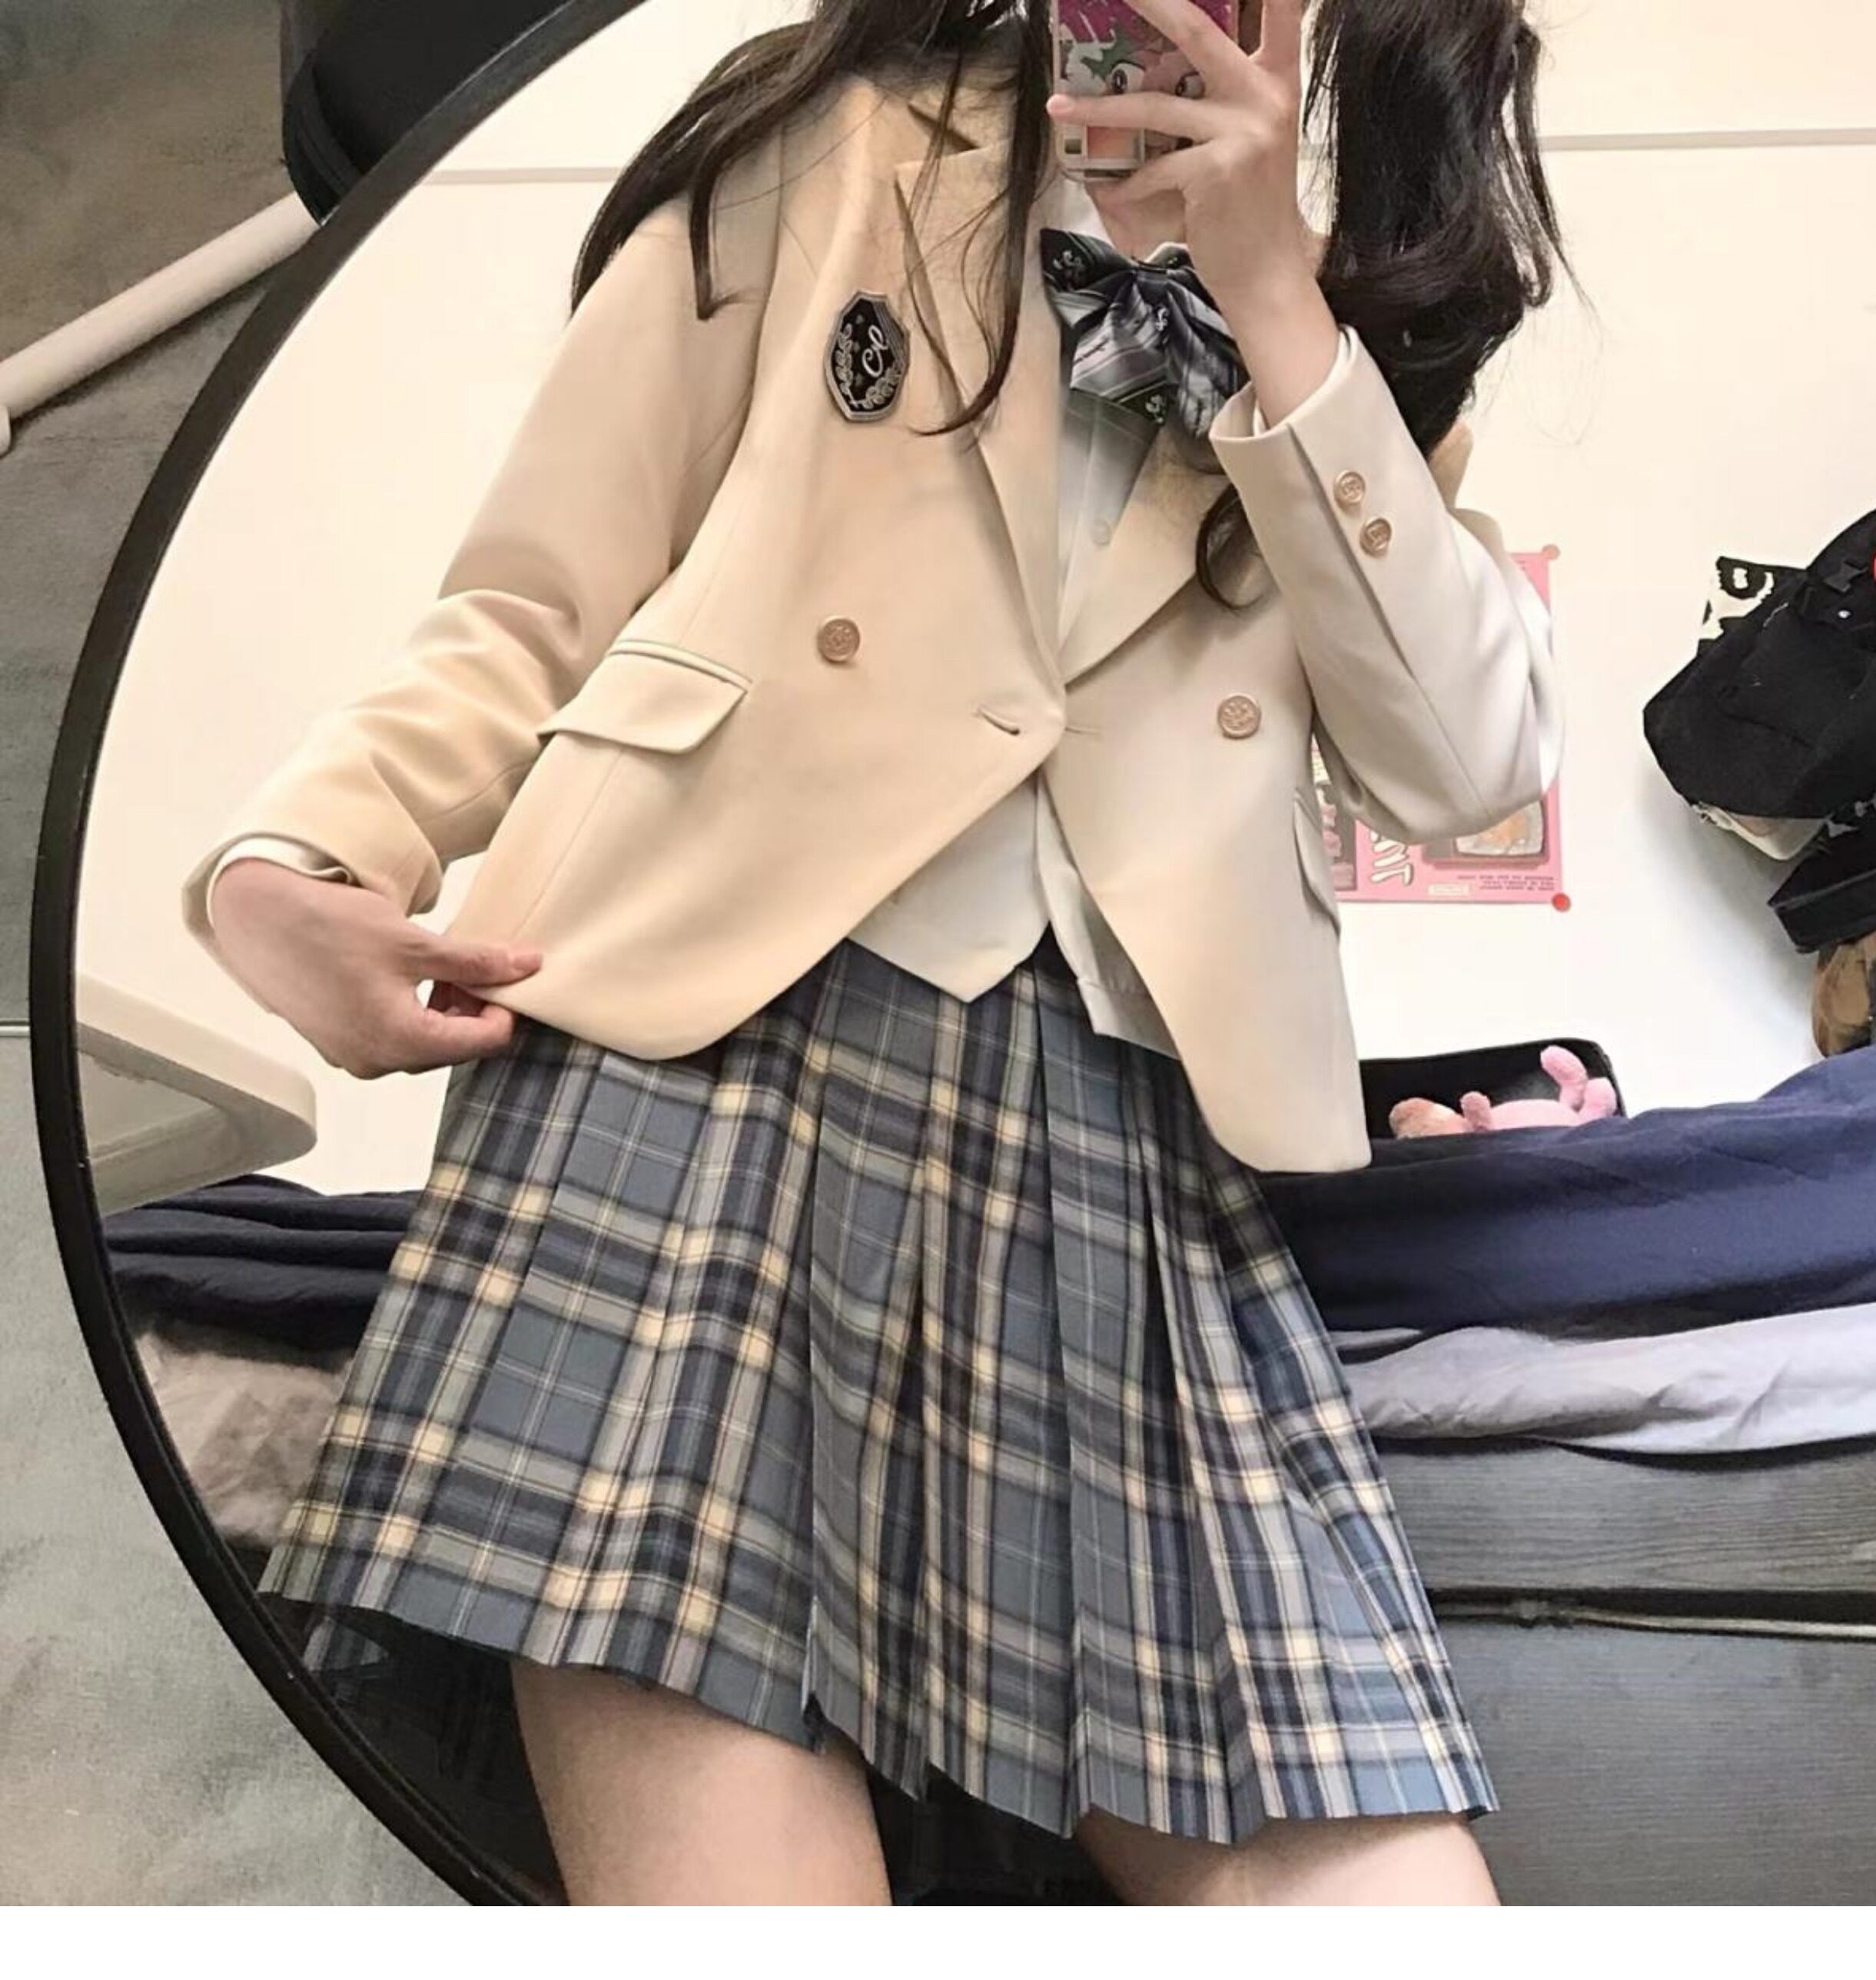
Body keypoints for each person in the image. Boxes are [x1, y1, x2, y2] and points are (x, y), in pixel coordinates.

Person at [187, 0, 1564, 1905]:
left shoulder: (1376, 309)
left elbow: (1465, 761)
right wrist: (304, 848)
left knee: (1384, 1891)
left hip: (1124, 1120)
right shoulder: (834, 135)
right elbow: (533, 596)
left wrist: (1272, 296)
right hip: (701, 1047)